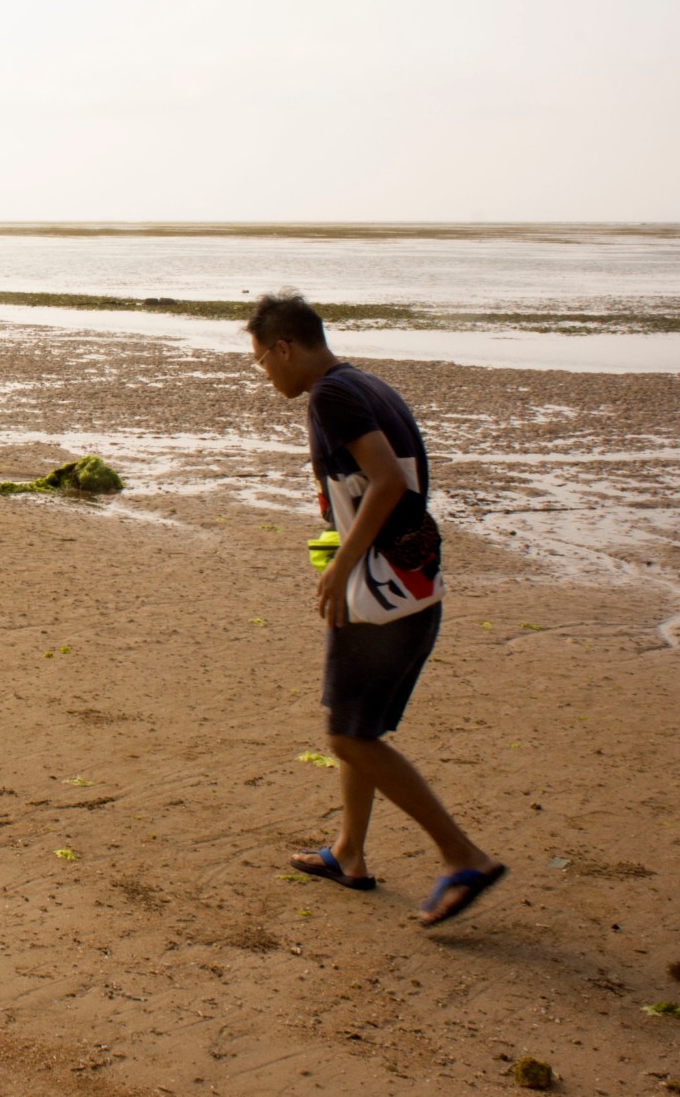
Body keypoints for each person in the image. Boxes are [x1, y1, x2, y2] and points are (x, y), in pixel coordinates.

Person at [245, 290, 506, 927]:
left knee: (348, 735)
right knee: (354, 725)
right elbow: (393, 482)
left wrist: (340, 565)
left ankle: (462, 856)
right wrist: (339, 508)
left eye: (262, 360)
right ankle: (348, 852)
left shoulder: (330, 396)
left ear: (285, 347)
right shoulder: (366, 384)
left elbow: (389, 482)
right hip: (411, 588)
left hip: (379, 596)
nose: (263, 373)